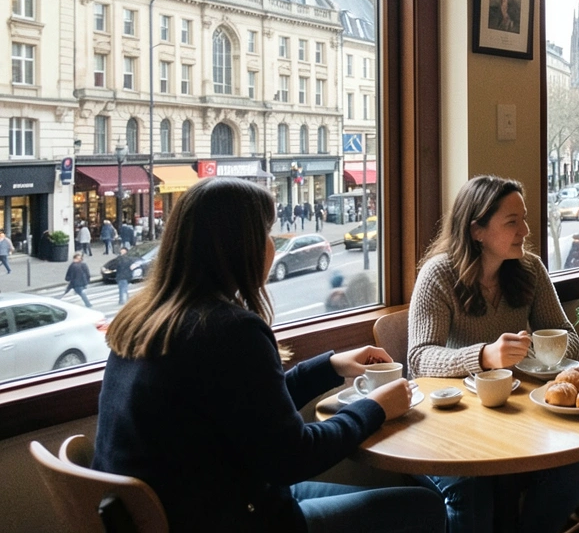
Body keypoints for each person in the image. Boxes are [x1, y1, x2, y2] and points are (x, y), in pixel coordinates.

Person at [92, 177, 444, 532]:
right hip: (237, 517)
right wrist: (376, 408)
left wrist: (330, 367)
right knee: (424, 508)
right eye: (267, 234)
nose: (272, 246)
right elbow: (293, 457)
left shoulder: (145, 319)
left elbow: (251, 411)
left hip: (194, 506)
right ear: (239, 246)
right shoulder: (229, 330)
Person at [408, 175, 579, 533]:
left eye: (523, 218)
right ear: (477, 230)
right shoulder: (439, 275)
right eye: (512, 221)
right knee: (472, 487)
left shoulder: (530, 270)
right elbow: (418, 358)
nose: (525, 229)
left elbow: (569, 338)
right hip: (448, 423)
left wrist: (533, 352)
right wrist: (485, 356)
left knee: (577, 465)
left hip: (513, 416)